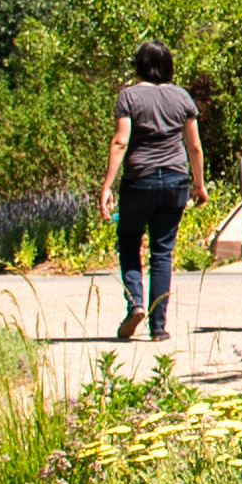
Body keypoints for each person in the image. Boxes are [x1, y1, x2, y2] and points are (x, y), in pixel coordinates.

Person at [103, 42, 200, 345]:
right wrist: (199, 183)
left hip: (139, 180)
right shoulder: (181, 97)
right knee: (162, 252)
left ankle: (136, 304)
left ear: (139, 65)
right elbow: (194, 145)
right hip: (175, 181)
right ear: (169, 65)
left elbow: (120, 142)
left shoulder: (129, 96)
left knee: (130, 241)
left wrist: (107, 185)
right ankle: (158, 327)